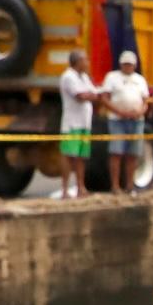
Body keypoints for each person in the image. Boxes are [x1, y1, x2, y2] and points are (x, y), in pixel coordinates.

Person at [101, 49, 151, 190]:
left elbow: (146, 101)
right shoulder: (112, 77)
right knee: (116, 152)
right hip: (117, 120)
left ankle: (130, 184)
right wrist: (119, 111)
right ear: (120, 64)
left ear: (134, 65)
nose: (127, 66)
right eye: (125, 64)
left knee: (133, 154)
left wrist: (140, 111)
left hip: (136, 120)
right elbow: (104, 98)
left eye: (130, 64)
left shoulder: (140, 80)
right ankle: (115, 185)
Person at [55, 48, 97, 200]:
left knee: (81, 156)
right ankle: (65, 189)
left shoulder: (84, 77)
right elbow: (80, 96)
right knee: (68, 156)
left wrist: (90, 95)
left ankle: (81, 187)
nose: (88, 63)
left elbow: (94, 94)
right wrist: (90, 95)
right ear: (78, 61)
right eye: (85, 60)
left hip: (85, 123)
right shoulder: (68, 77)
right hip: (72, 124)